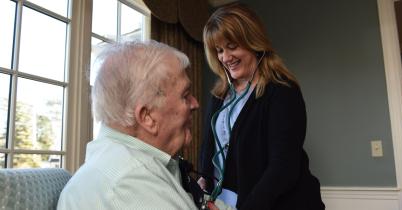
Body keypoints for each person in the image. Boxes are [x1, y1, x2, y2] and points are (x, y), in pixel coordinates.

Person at [57, 40, 227, 210]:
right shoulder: (130, 182)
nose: (195, 104)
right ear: (147, 117)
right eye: (185, 95)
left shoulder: (135, 163)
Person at [198, 3, 325, 210]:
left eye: (232, 47)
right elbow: (208, 147)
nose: (225, 58)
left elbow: (283, 168)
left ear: (253, 42)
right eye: (219, 50)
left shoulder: (282, 90)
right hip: (226, 201)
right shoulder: (220, 94)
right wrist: (203, 185)